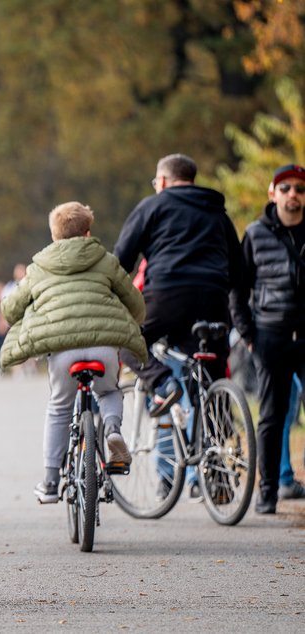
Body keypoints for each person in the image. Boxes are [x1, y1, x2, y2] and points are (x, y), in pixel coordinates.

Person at [1, 202, 146, 502]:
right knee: (108, 392)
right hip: (104, 347)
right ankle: (112, 432)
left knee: (59, 407)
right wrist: (134, 320)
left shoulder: (38, 266)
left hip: (62, 353)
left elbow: (10, 308)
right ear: (87, 232)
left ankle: (51, 482)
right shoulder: (106, 260)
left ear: (54, 236)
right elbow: (135, 302)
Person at [115, 153, 243, 417]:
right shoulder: (218, 213)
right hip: (214, 298)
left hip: (168, 295)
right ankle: (218, 442)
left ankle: (164, 382)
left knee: (126, 340)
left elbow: (121, 261)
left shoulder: (152, 207)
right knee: (211, 367)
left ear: (162, 180)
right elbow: (240, 269)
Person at [230, 163, 305, 514]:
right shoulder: (256, 234)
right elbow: (238, 289)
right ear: (273, 194)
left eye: (300, 189)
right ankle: (268, 492)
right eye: (286, 188)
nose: (294, 194)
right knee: (272, 417)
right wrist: (248, 335)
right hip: (270, 336)